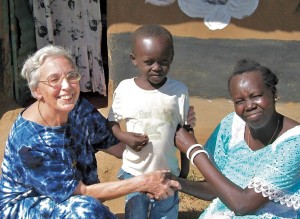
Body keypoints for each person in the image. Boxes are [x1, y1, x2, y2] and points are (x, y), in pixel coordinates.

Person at [0, 44, 183, 219]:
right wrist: (143, 182)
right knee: (84, 211)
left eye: (71, 76)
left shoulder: (78, 109)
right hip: (27, 207)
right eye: (54, 80)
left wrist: (169, 125)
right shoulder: (30, 142)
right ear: (37, 91)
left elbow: (119, 148)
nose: (66, 86)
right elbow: (81, 192)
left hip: (78, 200)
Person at [169, 58, 300, 218]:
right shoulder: (231, 125)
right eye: (240, 101)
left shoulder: (294, 142)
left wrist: (193, 150)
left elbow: (243, 205)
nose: (249, 105)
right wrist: (173, 181)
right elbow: (215, 189)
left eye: (256, 96)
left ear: (274, 94)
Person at [108, 24, 191, 219]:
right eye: (149, 61)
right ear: (134, 59)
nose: (157, 67)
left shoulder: (178, 91)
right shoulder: (125, 89)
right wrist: (123, 136)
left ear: (171, 58)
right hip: (134, 173)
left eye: (163, 61)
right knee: (135, 214)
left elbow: (185, 130)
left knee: (165, 215)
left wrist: (184, 170)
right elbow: (111, 121)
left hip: (168, 173)